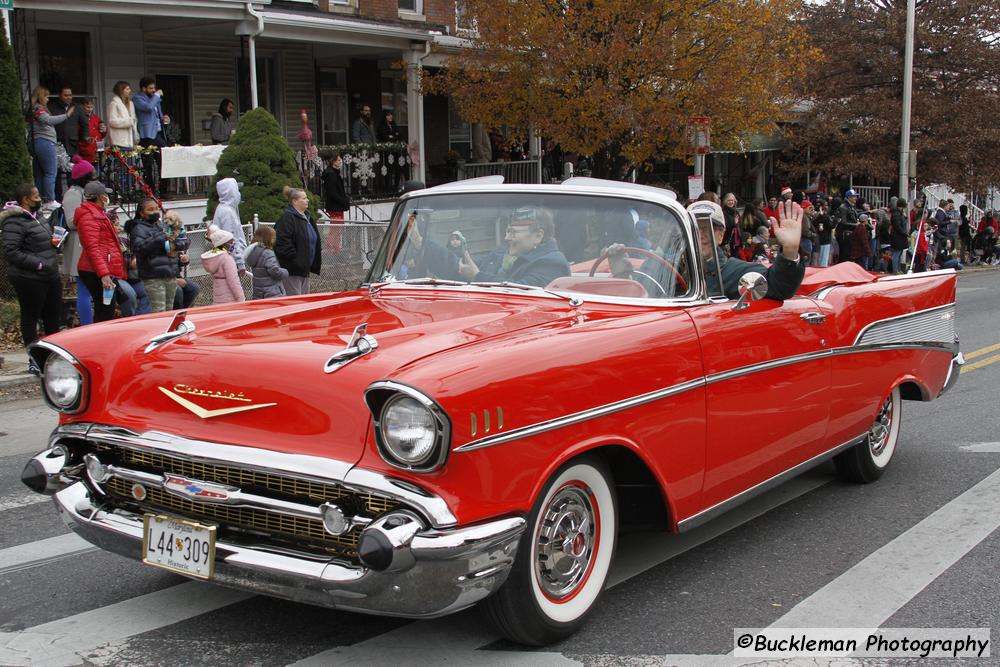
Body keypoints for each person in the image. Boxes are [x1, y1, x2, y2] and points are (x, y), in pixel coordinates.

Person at [1, 184, 61, 361]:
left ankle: (53, 355)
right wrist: (39, 264)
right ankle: (34, 358)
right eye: (35, 196)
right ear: (25, 200)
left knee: (52, 316)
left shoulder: (38, 216)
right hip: (29, 277)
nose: (39, 199)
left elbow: (39, 242)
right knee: (31, 316)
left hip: (50, 274)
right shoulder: (14, 221)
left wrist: (55, 242)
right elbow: (11, 251)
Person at [455, 207, 571, 286]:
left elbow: (520, 292)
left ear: (538, 236)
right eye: (507, 232)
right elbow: (462, 268)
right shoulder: (501, 254)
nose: (506, 238)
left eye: (513, 232)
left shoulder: (552, 264)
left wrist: (477, 276)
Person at [75, 181, 126, 322]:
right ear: (100, 197)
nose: (107, 197)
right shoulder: (89, 217)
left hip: (101, 267)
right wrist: (104, 274)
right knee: (104, 310)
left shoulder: (97, 214)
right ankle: (99, 340)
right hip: (95, 270)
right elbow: (92, 248)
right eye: (105, 194)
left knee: (107, 308)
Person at [130, 198, 189, 312]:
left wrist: (177, 245)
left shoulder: (164, 225)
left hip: (170, 273)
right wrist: (161, 236)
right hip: (153, 276)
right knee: (159, 311)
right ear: (142, 213)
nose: (155, 212)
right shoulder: (138, 228)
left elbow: (184, 240)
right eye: (150, 210)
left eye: (156, 208)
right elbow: (140, 248)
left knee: (169, 310)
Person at [61, 159, 99, 325]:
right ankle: (86, 324)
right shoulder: (73, 194)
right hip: (78, 246)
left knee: (91, 290)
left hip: (91, 243)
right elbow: (71, 221)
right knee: (83, 289)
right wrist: (91, 218)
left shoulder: (86, 193)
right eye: (91, 174)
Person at [275, 186, 322, 295]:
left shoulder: (308, 218)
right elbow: (282, 243)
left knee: (304, 302)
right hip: (293, 271)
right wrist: (296, 261)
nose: (308, 200)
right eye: (304, 198)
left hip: (305, 270)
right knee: (295, 302)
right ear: (295, 201)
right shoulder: (287, 219)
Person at [29, 86, 73, 202]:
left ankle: (40, 199)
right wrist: (66, 115)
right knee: (50, 173)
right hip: (45, 142)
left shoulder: (33, 108)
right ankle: (50, 200)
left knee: (39, 174)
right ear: (40, 96)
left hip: (36, 142)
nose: (48, 99)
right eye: (46, 96)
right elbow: (48, 120)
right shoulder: (38, 108)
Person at [201, 225, 244, 304]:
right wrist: (241, 298)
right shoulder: (227, 259)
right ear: (223, 244)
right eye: (230, 242)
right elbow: (233, 280)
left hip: (218, 298)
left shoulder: (214, 257)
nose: (233, 244)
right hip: (230, 299)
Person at [212, 178, 247, 274]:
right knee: (233, 288)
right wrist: (239, 262)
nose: (239, 193)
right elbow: (231, 239)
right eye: (236, 190)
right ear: (232, 192)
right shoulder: (227, 212)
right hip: (231, 261)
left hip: (225, 259)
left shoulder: (222, 209)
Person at [245, 225, 288, 299]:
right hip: (272, 293)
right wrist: (285, 272)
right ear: (268, 238)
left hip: (259, 293)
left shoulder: (253, 251)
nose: (274, 240)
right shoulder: (267, 253)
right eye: (273, 238)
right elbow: (274, 271)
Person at [76, 98, 107, 167]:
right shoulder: (78, 119)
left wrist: (104, 130)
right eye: (88, 107)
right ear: (82, 107)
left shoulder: (96, 117)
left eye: (91, 107)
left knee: (99, 172)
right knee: (87, 173)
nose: (90, 109)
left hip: (98, 150)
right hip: (85, 152)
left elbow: (102, 134)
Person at [106, 81, 138, 149]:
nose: (130, 91)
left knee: (131, 159)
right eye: (127, 89)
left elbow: (133, 120)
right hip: (119, 141)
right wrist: (128, 122)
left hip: (131, 140)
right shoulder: (114, 104)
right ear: (121, 90)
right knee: (121, 159)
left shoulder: (130, 104)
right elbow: (112, 121)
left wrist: (136, 135)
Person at [321, 155, 350, 219]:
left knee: (338, 226)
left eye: (341, 160)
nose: (341, 162)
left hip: (336, 206)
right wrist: (343, 200)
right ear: (333, 162)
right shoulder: (331, 174)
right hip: (335, 206)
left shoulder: (334, 173)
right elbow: (331, 192)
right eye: (339, 160)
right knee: (337, 227)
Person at [889, 198, 910, 274]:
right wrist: (905, 233)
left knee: (899, 253)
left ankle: (898, 269)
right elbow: (897, 226)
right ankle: (895, 270)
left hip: (899, 236)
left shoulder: (899, 212)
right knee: (896, 254)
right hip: (897, 236)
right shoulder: (896, 213)